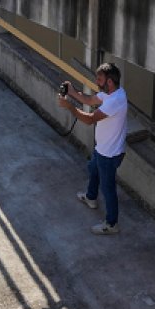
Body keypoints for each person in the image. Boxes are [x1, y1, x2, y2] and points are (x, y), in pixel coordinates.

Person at [58, 63, 128, 235]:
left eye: (99, 79)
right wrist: (72, 92)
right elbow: (89, 100)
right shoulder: (114, 93)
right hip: (102, 149)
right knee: (92, 168)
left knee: (108, 189)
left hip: (109, 155)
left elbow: (90, 119)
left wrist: (69, 106)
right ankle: (90, 198)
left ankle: (112, 224)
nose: (97, 82)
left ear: (109, 81)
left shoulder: (115, 101)